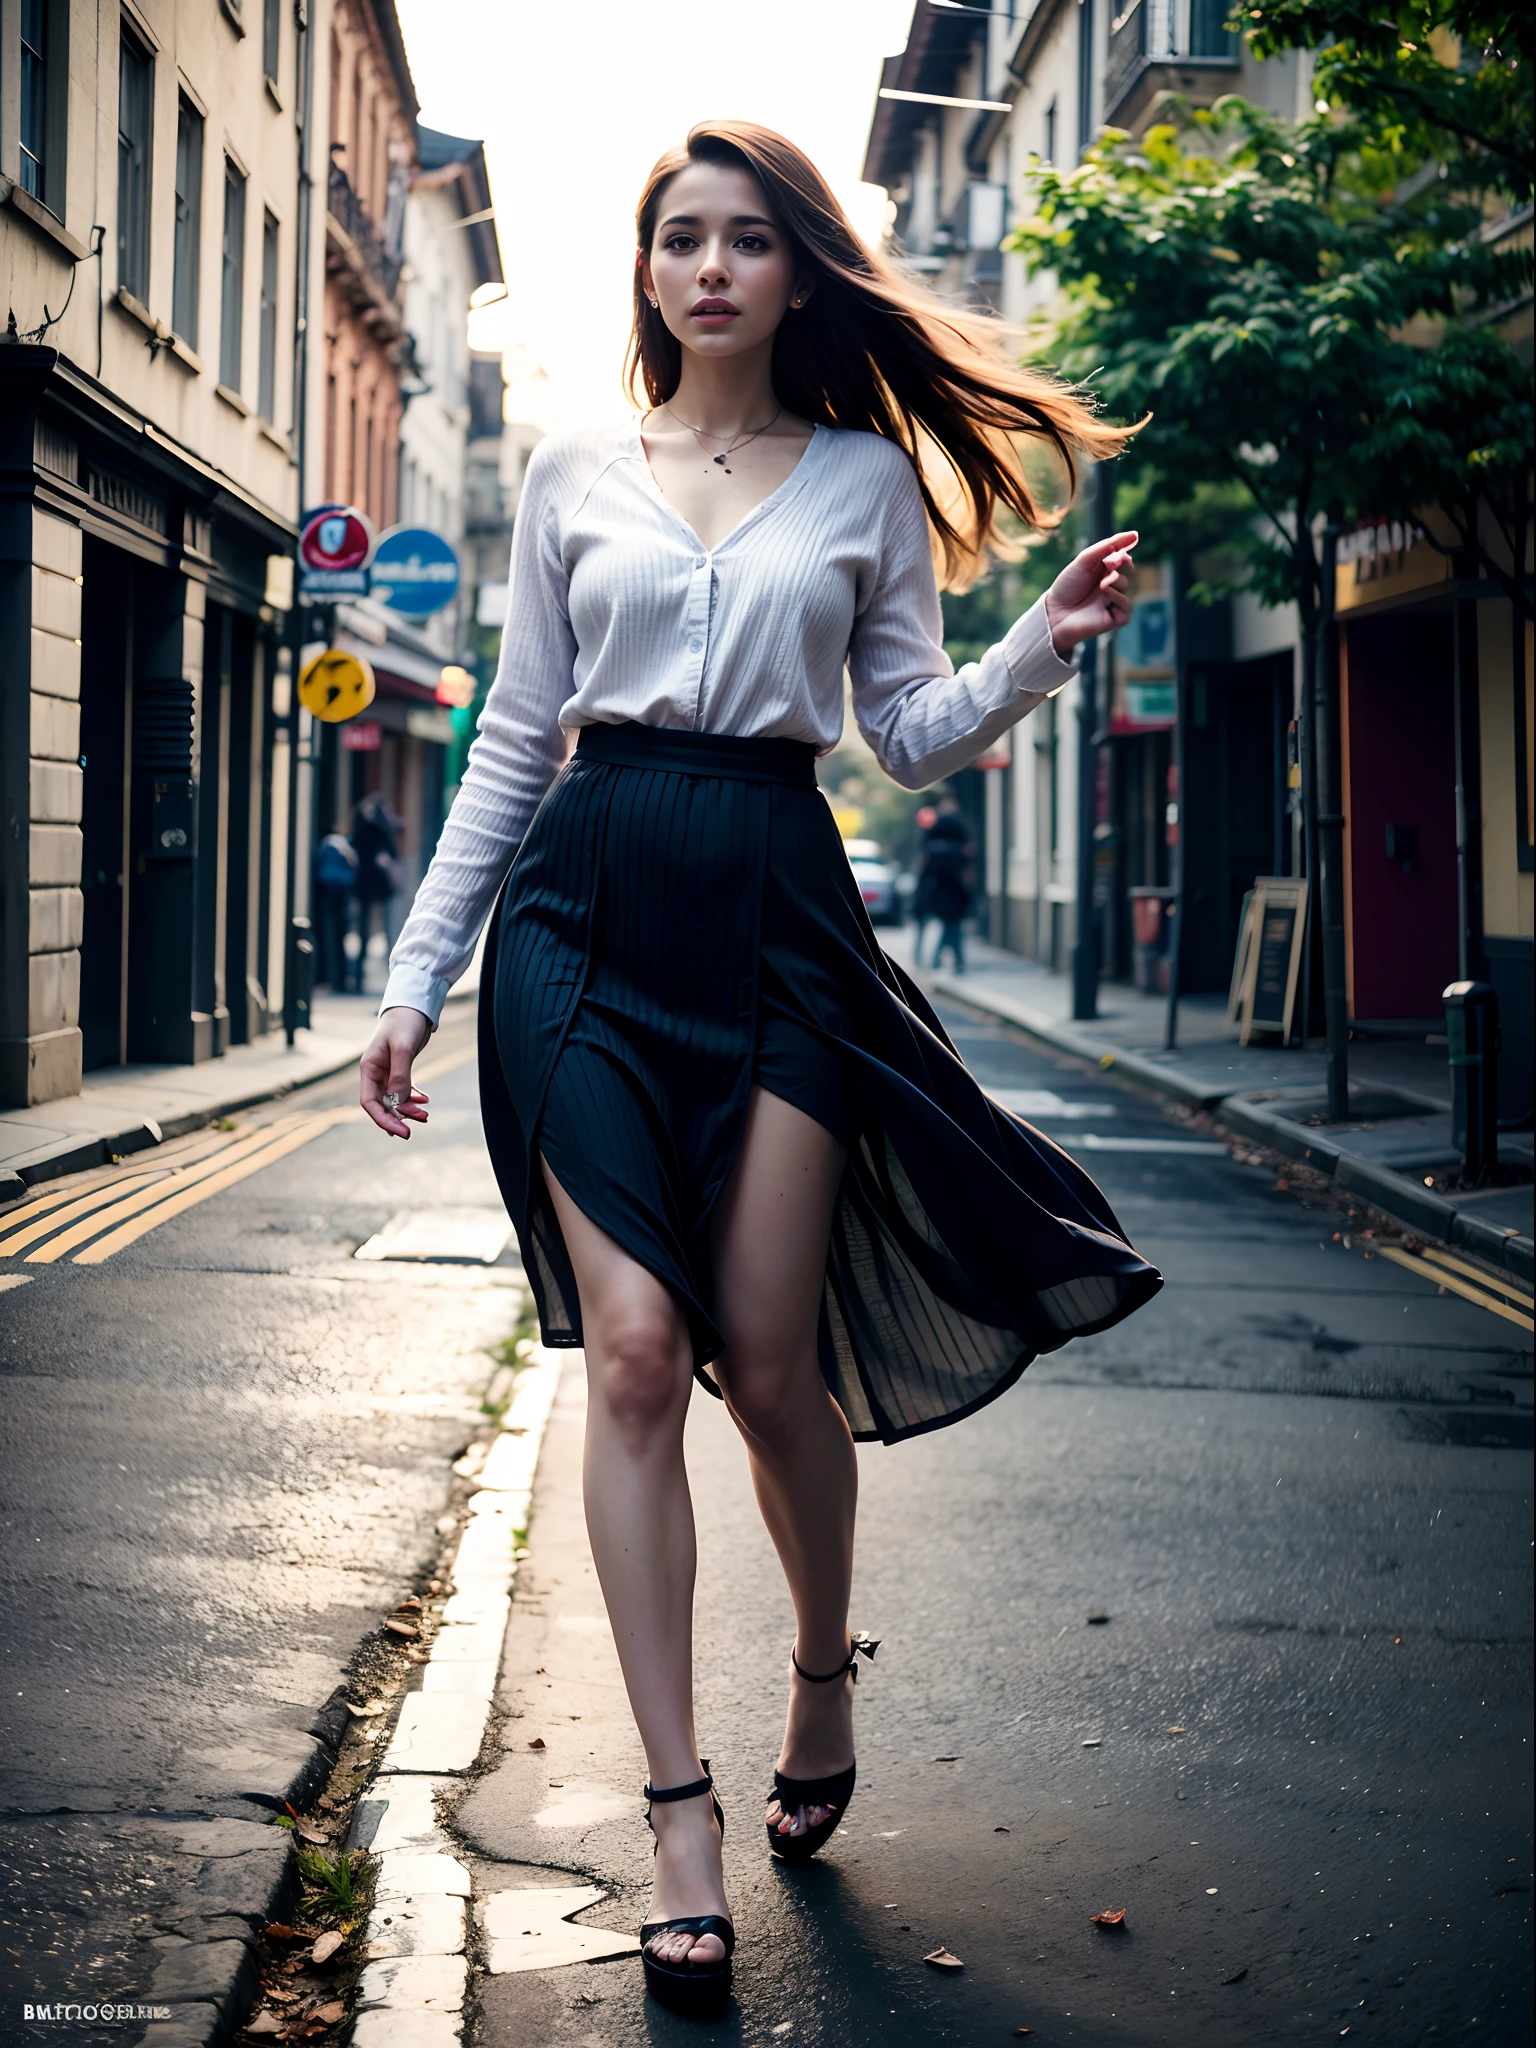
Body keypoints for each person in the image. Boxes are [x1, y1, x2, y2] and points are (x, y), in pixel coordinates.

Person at [359, 121, 1160, 2020]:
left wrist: (1042, 646)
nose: (709, 268)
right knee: (636, 1350)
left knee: (768, 1351)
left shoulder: (870, 480)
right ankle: (679, 1820)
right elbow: (509, 743)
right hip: (584, 911)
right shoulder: (570, 469)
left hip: (785, 914)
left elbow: (904, 728)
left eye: (744, 241)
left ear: (800, 271)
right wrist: (416, 977)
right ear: (647, 273)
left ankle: (817, 1663)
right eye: (678, 240)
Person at [350, 791, 404, 993]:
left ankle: (361, 978)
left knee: (379, 933)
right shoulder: (379, 829)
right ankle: (364, 977)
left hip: (371, 885)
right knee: (376, 933)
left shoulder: (370, 829)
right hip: (374, 885)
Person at [914, 800, 974, 972]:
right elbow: (966, 876)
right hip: (953, 896)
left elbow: (922, 870)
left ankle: (930, 961)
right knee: (953, 928)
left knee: (934, 927)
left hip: (932, 893)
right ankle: (954, 962)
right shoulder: (960, 852)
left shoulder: (931, 849)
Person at [313, 825, 359, 992]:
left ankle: (328, 979)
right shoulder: (346, 847)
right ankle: (341, 980)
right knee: (340, 940)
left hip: (326, 898)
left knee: (327, 939)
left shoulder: (325, 846)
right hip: (342, 899)